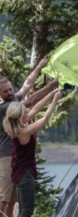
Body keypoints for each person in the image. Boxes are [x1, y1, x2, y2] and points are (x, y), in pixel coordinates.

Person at [0, 59, 58, 217]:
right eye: (5, 91)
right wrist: (53, 87)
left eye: (10, 89)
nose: (10, 93)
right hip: (7, 158)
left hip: (16, 162)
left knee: (12, 202)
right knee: (5, 200)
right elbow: (33, 103)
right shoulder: (6, 109)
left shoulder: (16, 113)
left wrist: (39, 67)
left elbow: (27, 85)